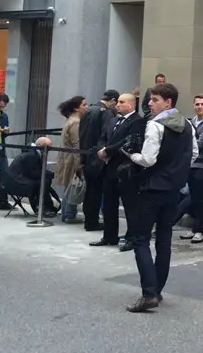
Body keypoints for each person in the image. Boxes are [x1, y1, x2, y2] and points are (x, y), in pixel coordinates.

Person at [125, 82, 193, 312]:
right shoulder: (187, 125)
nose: (150, 104)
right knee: (164, 240)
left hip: (152, 187)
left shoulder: (155, 125)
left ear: (168, 102)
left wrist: (132, 155)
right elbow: (193, 153)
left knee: (140, 239)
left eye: (155, 100)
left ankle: (148, 293)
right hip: (173, 188)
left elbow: (148, 159)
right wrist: (177, 171)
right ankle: (157, 290)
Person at [91, 93, 144, 250]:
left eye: (122, 102)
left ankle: (132, 238)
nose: (118, 105)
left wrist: (108, 150)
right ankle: (109, 236)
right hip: (109, 167)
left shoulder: (138, 121)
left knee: (130, 205)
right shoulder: (112, 120)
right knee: (108, 204)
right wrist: (101, 149)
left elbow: (129, 141)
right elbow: (103, 137)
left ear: (131, 105)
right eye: (118, 102)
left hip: (126, 168)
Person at [78, 90, 119, 231]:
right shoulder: (105, 113)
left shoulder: (88, 110)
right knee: (96, 191)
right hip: (98, 157)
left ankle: (89, 220)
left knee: (90, 191)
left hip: (86, 155)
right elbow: (108, 134)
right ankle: (92, 221)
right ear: (113, 100)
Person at [180, 95, 203, 243]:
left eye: (202, 104)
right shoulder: (191, 121)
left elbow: (201, 142)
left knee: (201, 198)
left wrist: (188, 145)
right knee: (194, 198)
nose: (199, 106)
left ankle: (201, 230)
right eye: (197, 104)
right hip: (191, 164)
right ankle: (196, 228)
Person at [53, 95, 88, 223]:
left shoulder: (71, 120)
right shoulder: (76, 122)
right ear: (76, 108)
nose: (86, 107)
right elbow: (76, 144)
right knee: (72, 186)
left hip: (67, 157)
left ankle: (67, 212)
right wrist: (79, 164)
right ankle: (69, 213)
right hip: (71, 159)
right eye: (84, 105)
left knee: (69, 186)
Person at [5, 137, 58, 216]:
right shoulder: (32, 155)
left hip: (19, 179)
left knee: (43, 181)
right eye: (47, 147)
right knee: (42, 182)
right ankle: (42, 208)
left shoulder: (34, 152)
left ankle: (45, 207)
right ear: (39, 145)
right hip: (16, 183)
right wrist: (51, 174)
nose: (48, 150)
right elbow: (33, 173)